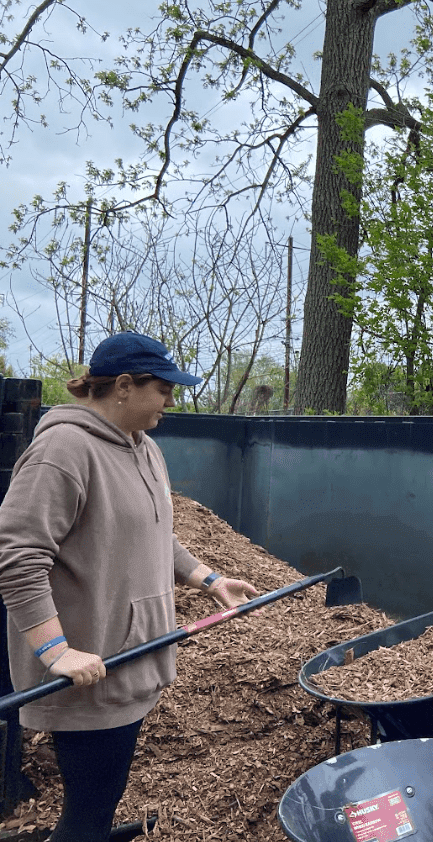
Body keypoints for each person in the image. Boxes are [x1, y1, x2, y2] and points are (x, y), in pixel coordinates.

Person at [0, 332, 260, 842]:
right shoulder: (62, 450)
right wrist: (56, 651)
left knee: (100, 801)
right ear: (123, 385)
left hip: (133, 659)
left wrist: (208, 579)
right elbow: (17, 556)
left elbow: (156, 532)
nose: (171, 399)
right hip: (90, 673)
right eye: (163, 388)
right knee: (87, 816)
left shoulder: (146, 448)